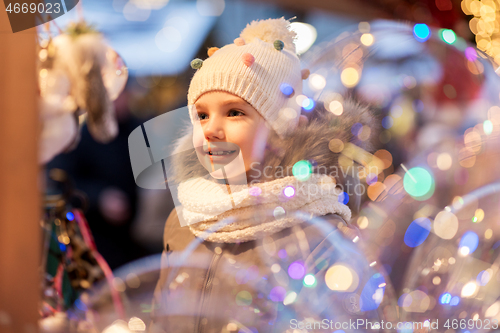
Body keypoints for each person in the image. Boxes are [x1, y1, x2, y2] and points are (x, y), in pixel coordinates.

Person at [150, 18, 383, 333]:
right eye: (201, 114)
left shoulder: (319, 236)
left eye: (235, 112)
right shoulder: (184, 222)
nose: (211, 130)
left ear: (283, 129)